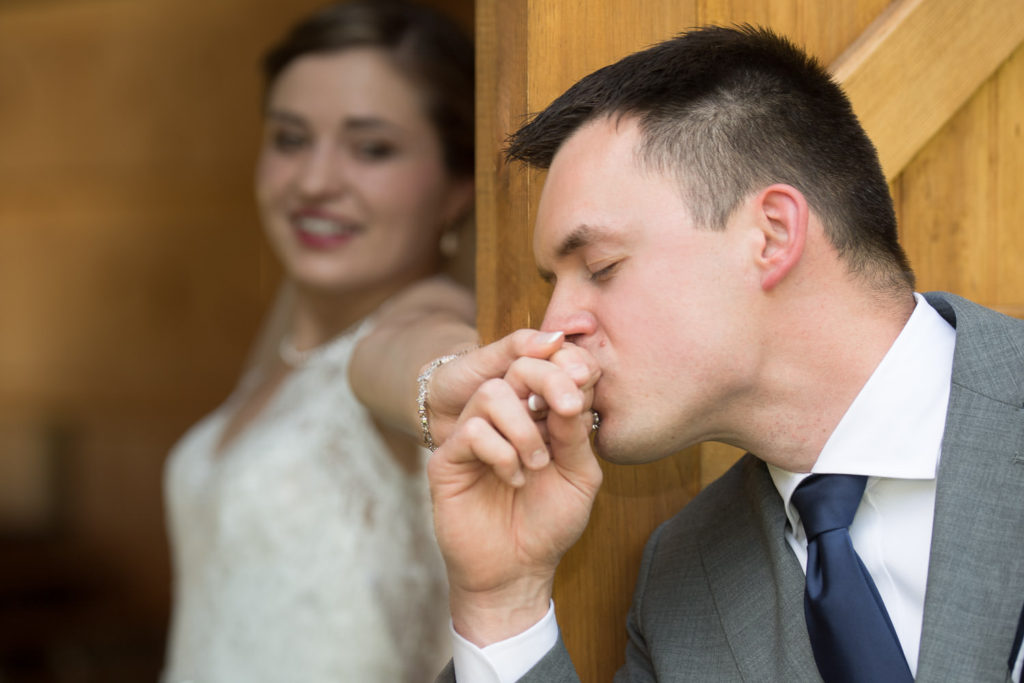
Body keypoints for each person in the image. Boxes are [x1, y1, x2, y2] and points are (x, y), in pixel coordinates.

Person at [420, 25, 1024, 682]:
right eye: (553, 285)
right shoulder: (684, 583)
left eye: (601, 266)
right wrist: (501, 600)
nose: (554, 326)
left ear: (771, 235)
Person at [161, 2, 478, 681]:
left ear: (458, 187)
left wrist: (450, 375)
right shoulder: (285, 357)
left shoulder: (426, 315)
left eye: (371, 148)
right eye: (290, 138)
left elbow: (414, 350)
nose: (314, 181)